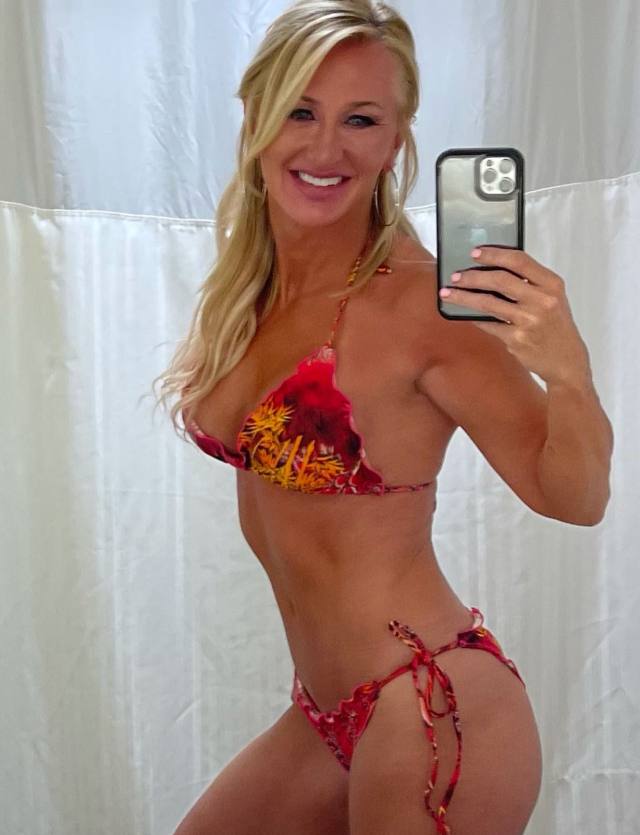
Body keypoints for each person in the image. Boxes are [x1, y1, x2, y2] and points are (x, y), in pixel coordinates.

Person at [154, 1, 613, 833]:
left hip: (433, 704)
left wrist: (568, 371)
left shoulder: (421, 307)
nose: (326, 148)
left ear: (397, 141)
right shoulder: (251, 289)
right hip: (322, 714)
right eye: (301, 111)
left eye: (361, 120)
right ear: (255, 117)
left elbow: (574, 498)